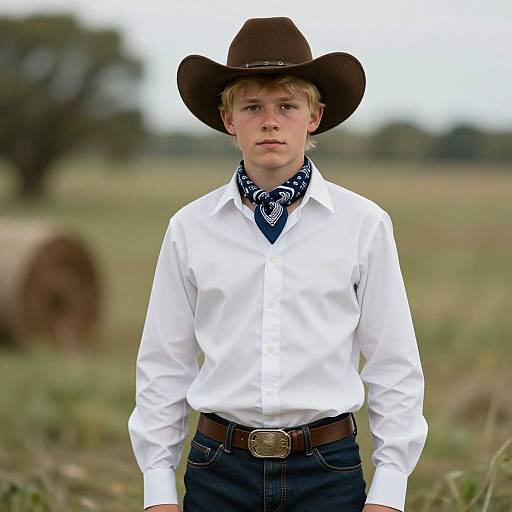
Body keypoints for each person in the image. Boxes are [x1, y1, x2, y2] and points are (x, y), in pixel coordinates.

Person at [127, 16, 428, 512]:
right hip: (218, 468)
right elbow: (164, 362)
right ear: (229, 120)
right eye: (252, 107)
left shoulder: (364, 224)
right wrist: (158, 486)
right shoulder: (189, 227)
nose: (270, 121)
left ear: (314, 116)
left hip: (328, 469)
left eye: (287, 106)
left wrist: (391, 486)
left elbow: (393, 362)